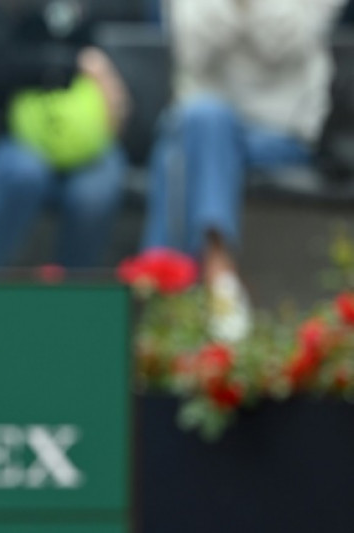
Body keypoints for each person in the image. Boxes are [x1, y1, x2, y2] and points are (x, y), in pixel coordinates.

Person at [141, 0, 345, 342]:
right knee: (206, 122)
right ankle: (218, 276)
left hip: (280, 132)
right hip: (200, 127)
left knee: (176, 152)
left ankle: (160, 303)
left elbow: (284, 43)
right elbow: (194, 50)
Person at [0, 0, 130, 275]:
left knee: (96, 191)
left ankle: (74, 294)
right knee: (23, 175)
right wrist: (70, 64)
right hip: (4, 133)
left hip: (84, 143)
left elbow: (100, 62)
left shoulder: (77, 9)